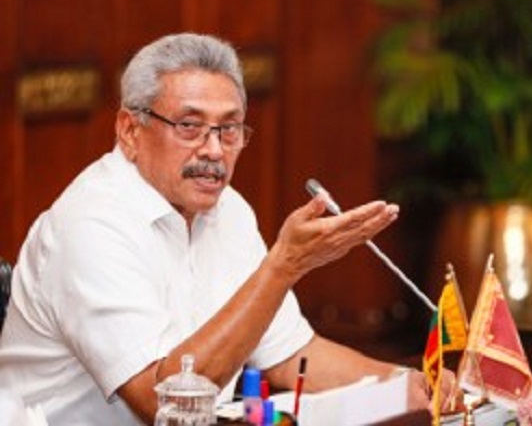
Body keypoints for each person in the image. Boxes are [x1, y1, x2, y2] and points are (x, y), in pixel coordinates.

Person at [0, 33, 458, 425]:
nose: (215, 150)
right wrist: (283, 267)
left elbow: (292, 356)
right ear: (129, 130)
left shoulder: (229, 210)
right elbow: (164, 404)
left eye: (230, 129)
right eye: (190, 126)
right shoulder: (90, 227)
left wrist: (408, 384)